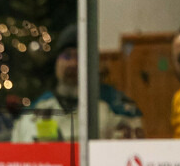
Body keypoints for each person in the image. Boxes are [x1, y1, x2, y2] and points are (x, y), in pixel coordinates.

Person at [11, 24, 144, 142]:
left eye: (80, 56)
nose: (73, 64)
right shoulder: (35, 112)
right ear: (56, 63)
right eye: (67, 56)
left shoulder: (114, 109)